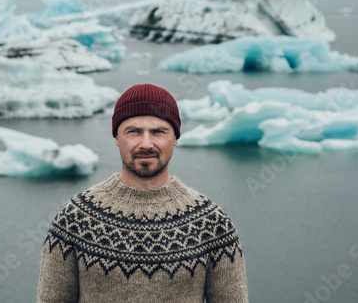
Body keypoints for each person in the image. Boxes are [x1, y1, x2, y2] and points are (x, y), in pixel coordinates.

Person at [36, 83, 248, 303]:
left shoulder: (212, 222)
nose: (146, 143)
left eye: (158, 132)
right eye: (134, 132)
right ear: (117, 138)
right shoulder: (74, 218)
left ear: (175, 138)